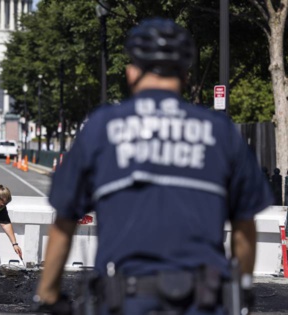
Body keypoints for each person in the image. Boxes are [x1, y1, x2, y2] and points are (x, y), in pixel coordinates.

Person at [35, 18, 274, 314]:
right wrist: (243, 288)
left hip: (124, 301)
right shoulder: (220, 131)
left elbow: (64, 223)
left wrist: (48, 295)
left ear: (132, 71)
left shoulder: (102, 127)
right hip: (205, 301)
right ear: (186, 75)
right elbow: (244, 226)